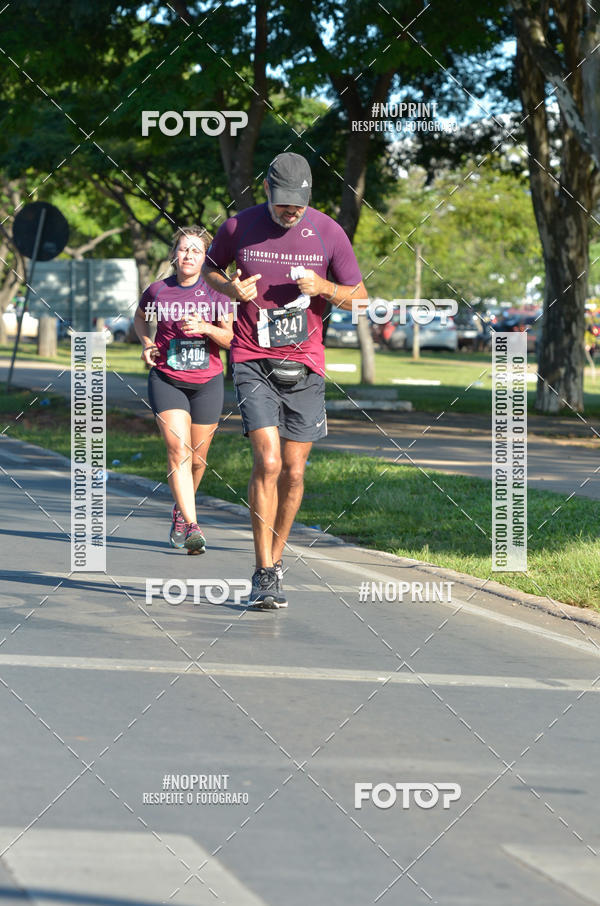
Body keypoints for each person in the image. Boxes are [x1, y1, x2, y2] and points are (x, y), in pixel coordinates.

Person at [202, 152, 367, 607]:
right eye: (282, 203)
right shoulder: (239, 226)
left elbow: (362, 300)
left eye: (297, 204)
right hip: (252, 356)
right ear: (268, 192)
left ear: (308, 197)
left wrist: (326, 288)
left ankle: (275, 563)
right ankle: (261, 571)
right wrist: (231, 289)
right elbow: (211, 270)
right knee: (269, 463)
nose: (289, 211)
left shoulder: (329, 232)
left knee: (294, 472)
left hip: (307, 363)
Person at [134, 226, 233, 553]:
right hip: (167, 379)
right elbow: (139, 316)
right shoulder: (158, 291)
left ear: (205, 257)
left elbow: (230, 340)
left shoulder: (218, 292)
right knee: (178, 451)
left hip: (207, 382)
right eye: (183, 249)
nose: (189, 255)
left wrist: (205, 327)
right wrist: (147, 341)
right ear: (174, 255)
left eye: (196, 250)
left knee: (198, 459)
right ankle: (192, 525)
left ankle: (180, 508)